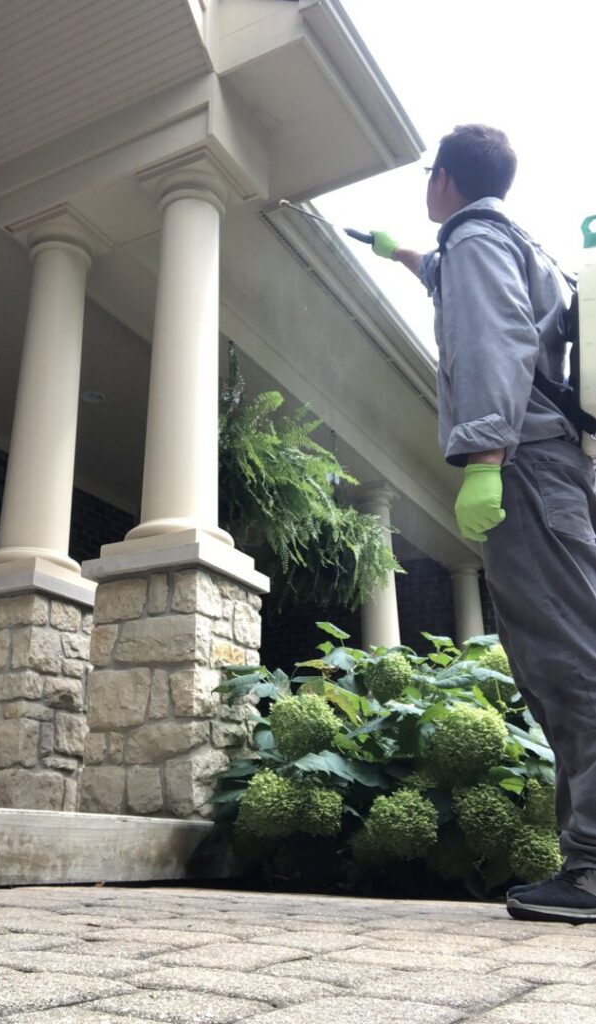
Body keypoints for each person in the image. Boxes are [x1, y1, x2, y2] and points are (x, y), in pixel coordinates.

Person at [371, 124, 596, 924]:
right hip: (555, 467)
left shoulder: (473, 240)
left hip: (523, 467)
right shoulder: (508, 242)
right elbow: (487, 303)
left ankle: (593, 871)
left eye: (427, 179)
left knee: (567, 661)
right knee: (566, 652)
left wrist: (484, 460)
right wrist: (402, 255)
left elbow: (494, 343)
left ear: (443, 183)